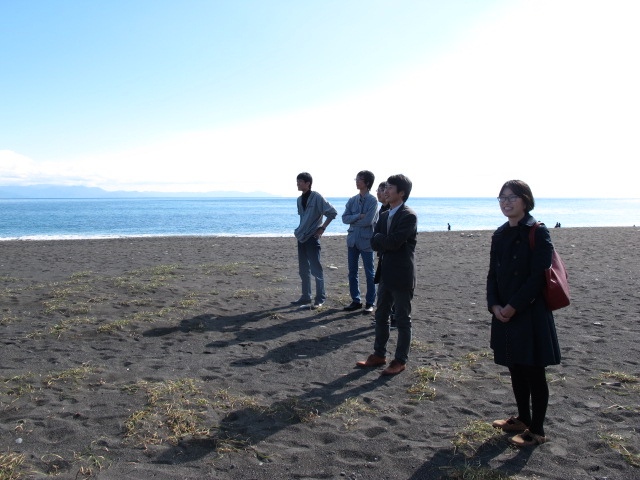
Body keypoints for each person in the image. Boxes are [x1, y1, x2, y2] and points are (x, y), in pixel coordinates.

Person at [487, 180, 561, 447]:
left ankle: (537, 429)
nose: (506, 202)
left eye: (512, 197)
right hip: (503, 310)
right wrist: (494, 305)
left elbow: (538, 277)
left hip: (530, 311)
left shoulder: (538, 232)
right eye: (502, 198)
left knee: (533, 370)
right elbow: (493, 274)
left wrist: (513, 306)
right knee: (514, 366)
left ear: (525, 200)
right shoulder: (499, 233)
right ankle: (522, 417)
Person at [356, 174, 417, 376]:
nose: (386, 191)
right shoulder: (384, 215)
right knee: (381, 315)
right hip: (385, 273)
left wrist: (383, 239)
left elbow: (394, 242)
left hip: (402, 275)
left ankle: (400, 360)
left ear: (402, 192)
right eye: (386, 187)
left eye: (390, 187)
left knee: (402, 319)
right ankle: (379, 354)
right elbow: (374, 243)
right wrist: (384, 239)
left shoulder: (408, 215)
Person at [292, 172, 337, 309]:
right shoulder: (299, 200)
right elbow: (303, 218)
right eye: (297, 181)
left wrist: (322, 228)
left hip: (312, 238)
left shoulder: (317, 197)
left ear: (308, 183)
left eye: (300, 181)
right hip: (301, 237)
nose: (297, 184)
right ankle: (306, 296)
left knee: (316, 269)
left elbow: (332, 212)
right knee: (303, 269)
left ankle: (320, 298)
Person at [342, 171, 378, 313]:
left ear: (367, 182)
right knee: (352, 272)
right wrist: (358, 216)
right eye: (356, 179)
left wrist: (353, 220)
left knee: (370, 273)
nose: (357, 182)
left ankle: (370, 302)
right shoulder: (352, 200)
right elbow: (344, 218)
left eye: (360, 179)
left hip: (366, 241)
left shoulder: (373, 200)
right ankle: (356, 300)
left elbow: (368, 221)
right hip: (352, 240)